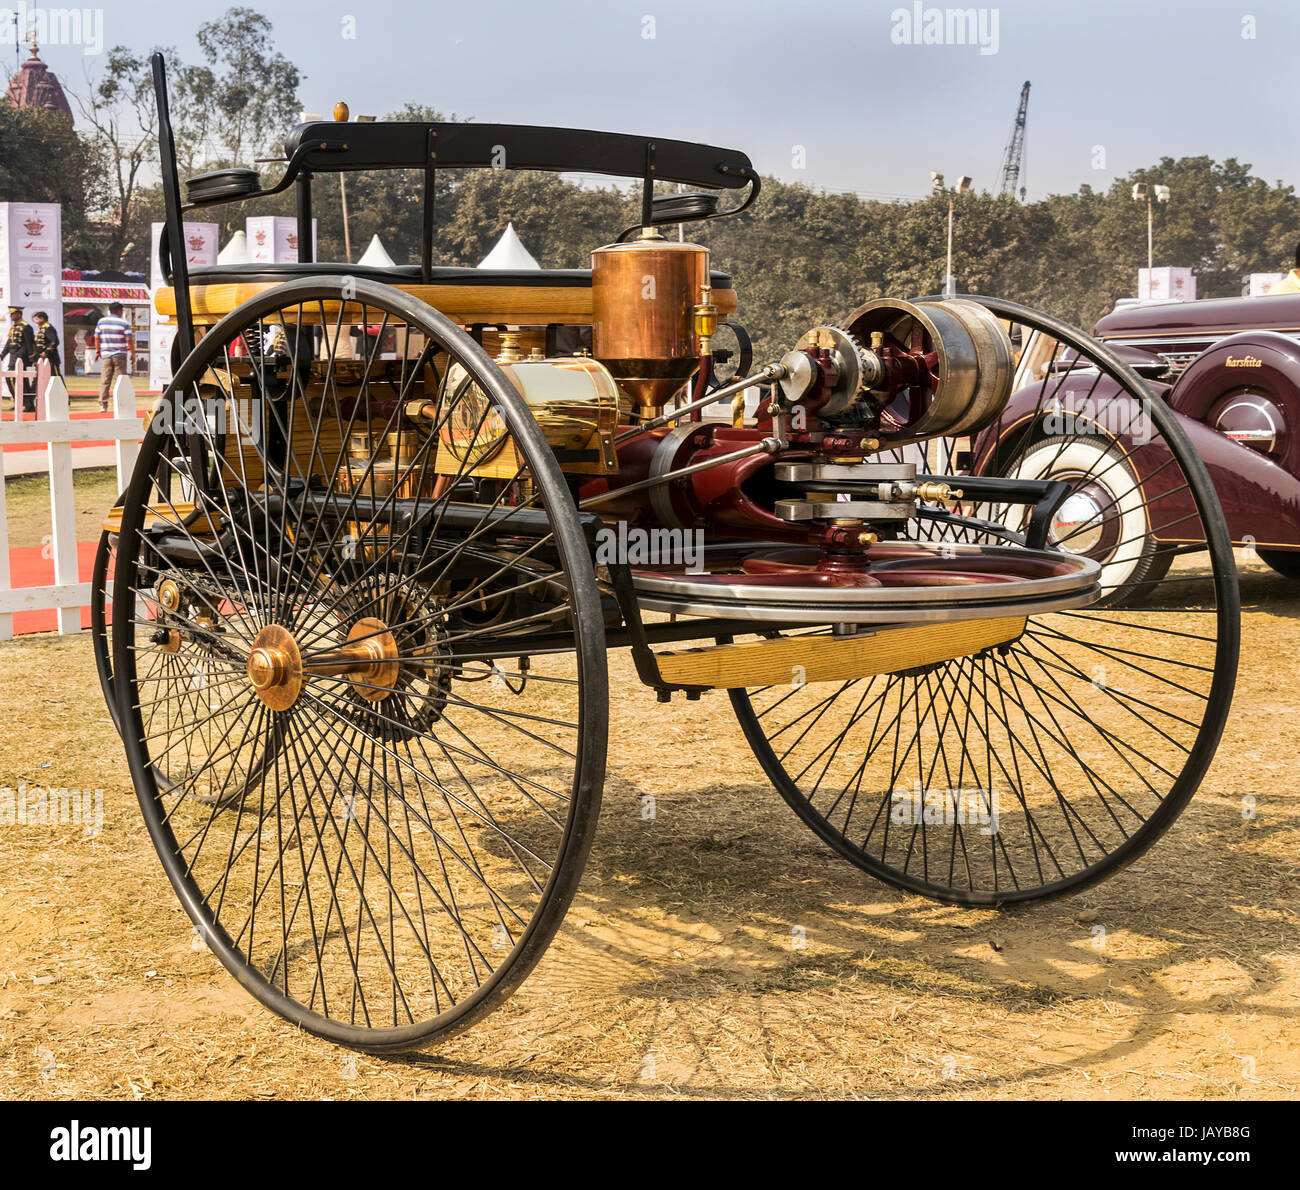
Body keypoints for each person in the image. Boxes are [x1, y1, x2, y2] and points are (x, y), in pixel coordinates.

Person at [92, 302, 133, 411]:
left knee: (105, 380)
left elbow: (96, 338)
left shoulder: (101, 322)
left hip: (106, 355)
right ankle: (121, 404)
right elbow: (129, 339)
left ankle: (103, 405)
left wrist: (97, 351)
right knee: (120, 380)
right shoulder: (124, 323)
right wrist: (132, 353)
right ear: (119, 311)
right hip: (120, 355)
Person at [2, 305, 37, 413]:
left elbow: (29, 344)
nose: (11, 316)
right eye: (11, 314)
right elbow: (9, 343)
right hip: (13, 356)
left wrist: (32, 359)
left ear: (18, 314)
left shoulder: (26, 327)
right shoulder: (14, 327)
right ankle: (28, 405)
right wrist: (2, 354)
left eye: (13, 314)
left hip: (20, 357)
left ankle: (22, 403)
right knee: (23, 382)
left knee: (11, 379)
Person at [31, 311, 60, 379]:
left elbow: (55, 341)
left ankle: (60, 390)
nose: (35, 321)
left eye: (37, 319)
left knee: (55, 377)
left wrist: (46, 352)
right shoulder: (42, 329)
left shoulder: (48, 328)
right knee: (38, 378)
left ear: (42, 319)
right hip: (41, 358)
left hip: (50, 358)